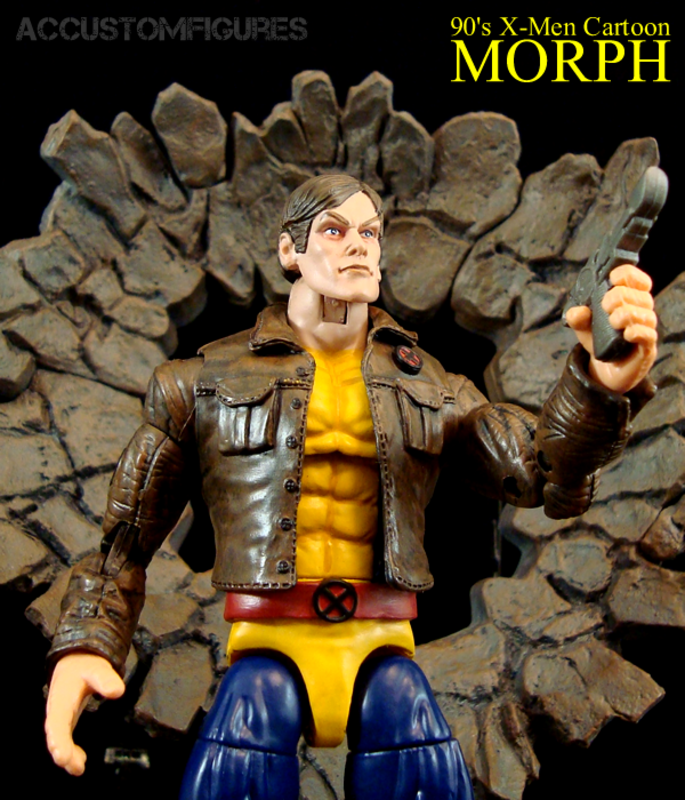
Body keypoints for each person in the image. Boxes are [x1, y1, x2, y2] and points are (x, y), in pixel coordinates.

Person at [44, 174, 658, 800]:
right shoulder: (204, 380)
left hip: (381, 639)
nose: (358, 245)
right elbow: (125, 539)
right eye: (335, 231)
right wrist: (87, 644)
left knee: (417, 750)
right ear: (290, 250)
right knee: (245, 743)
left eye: (370, 232)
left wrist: (600, 383)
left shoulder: (429, 385)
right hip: (267, 640)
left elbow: (540, 471)